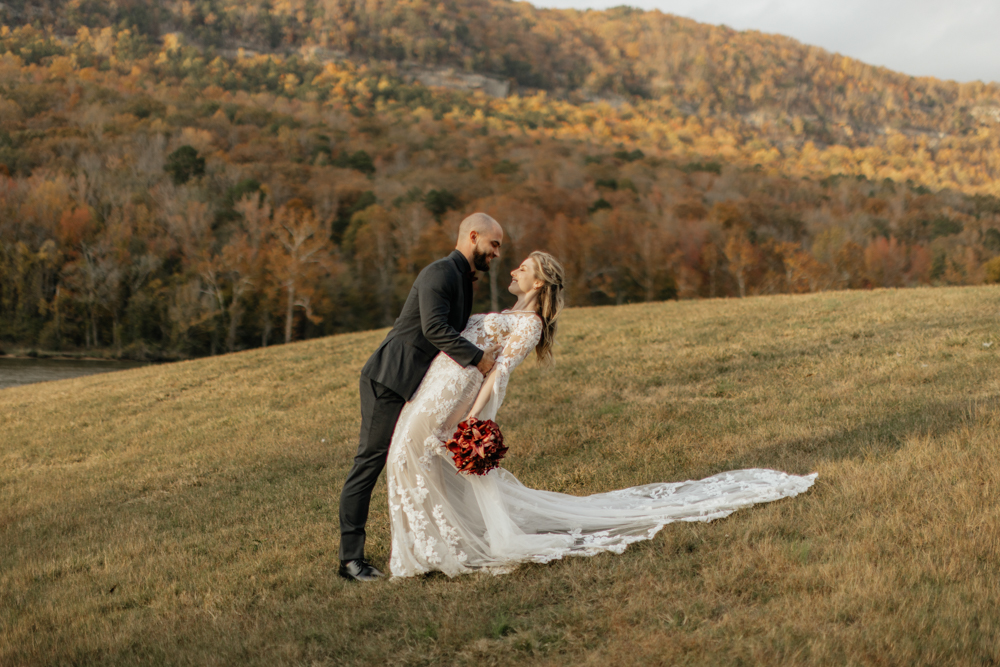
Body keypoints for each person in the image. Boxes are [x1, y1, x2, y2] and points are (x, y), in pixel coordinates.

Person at [384, 250, 817, 577]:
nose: (513, 270)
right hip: (435, 385)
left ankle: (430, 550)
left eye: (522, 267)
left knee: (408, 456)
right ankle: (429, 546)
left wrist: (474, 420)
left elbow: (499, 373)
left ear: (538, 281)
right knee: (408, 458)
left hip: (454, 395)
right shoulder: (510, 314)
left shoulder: (530, 324)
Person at [337, 212, 504, 581]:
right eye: (493, 244)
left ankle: (429, 541)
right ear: (472, 236)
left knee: (414, 457)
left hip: (414, 384)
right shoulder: (440, 272)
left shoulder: (462, 279)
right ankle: (350, 560)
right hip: (389, 378)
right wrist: (478, 359)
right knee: (370, 461)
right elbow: (434, 328)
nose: (496, 253)